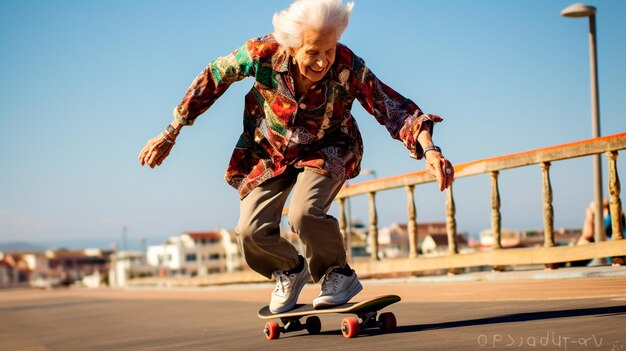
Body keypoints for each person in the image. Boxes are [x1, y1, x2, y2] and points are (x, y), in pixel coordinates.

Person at [138, 0, 454, 313]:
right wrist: (171, 131)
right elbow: (213, 78)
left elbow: (390, 105)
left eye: (328, 50)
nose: (322, 62)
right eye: (312, 52)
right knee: (251, 231)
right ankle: (289, 269)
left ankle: (337, 274)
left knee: (304, 213)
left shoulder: (347, 65)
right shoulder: (260, 53)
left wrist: (429, 149)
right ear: (291, 46)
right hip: (270, 150)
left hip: (329, 146)